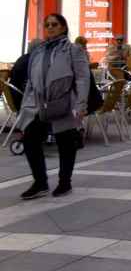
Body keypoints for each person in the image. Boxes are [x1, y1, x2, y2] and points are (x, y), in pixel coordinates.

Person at [17, 14, 91, 200]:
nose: (50, 28)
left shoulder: (74, 50)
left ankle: (64, 182)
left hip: (64, 101)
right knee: (30, 139)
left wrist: (81, 104)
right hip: (38, 103)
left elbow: (83, 78)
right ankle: (40, 182)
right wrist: (26, 104)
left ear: (63, 27)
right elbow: (31, 80)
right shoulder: (38, 50)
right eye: (47, 24)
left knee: (65, 142)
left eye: (54, 24)